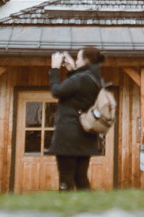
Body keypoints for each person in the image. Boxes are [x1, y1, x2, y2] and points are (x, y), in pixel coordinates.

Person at [48, 46, 104, 191]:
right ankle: (85, 211)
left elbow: (57, 91)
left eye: (78, 58)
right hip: (86, 135)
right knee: (81, 178)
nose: (76, 61)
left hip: (69, 134)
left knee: (65, 179)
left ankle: (66, 211)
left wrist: (55, 69)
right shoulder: (95, 78)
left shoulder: (80, 78)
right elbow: (76, 92)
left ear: (85, 61)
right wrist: (72, 70)